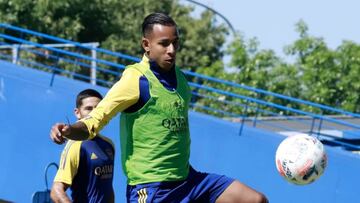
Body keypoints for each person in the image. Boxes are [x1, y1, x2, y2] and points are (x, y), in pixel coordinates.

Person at [50, 13, 268, 203]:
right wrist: (69, 130)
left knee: (254, 200)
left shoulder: (180, 79)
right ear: (146, 45)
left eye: (175, 43)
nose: (171, 50)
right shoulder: (135, 80)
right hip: (152, 190)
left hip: (189, 181)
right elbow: (94, 121)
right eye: (164, 44)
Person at [50, 89, 115, 203]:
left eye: (98, 109)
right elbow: (56, 191)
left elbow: (108, 189)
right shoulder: (76, 146)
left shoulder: (109, 145)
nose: (94, 113)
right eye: (89, 108)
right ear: (77, 113)